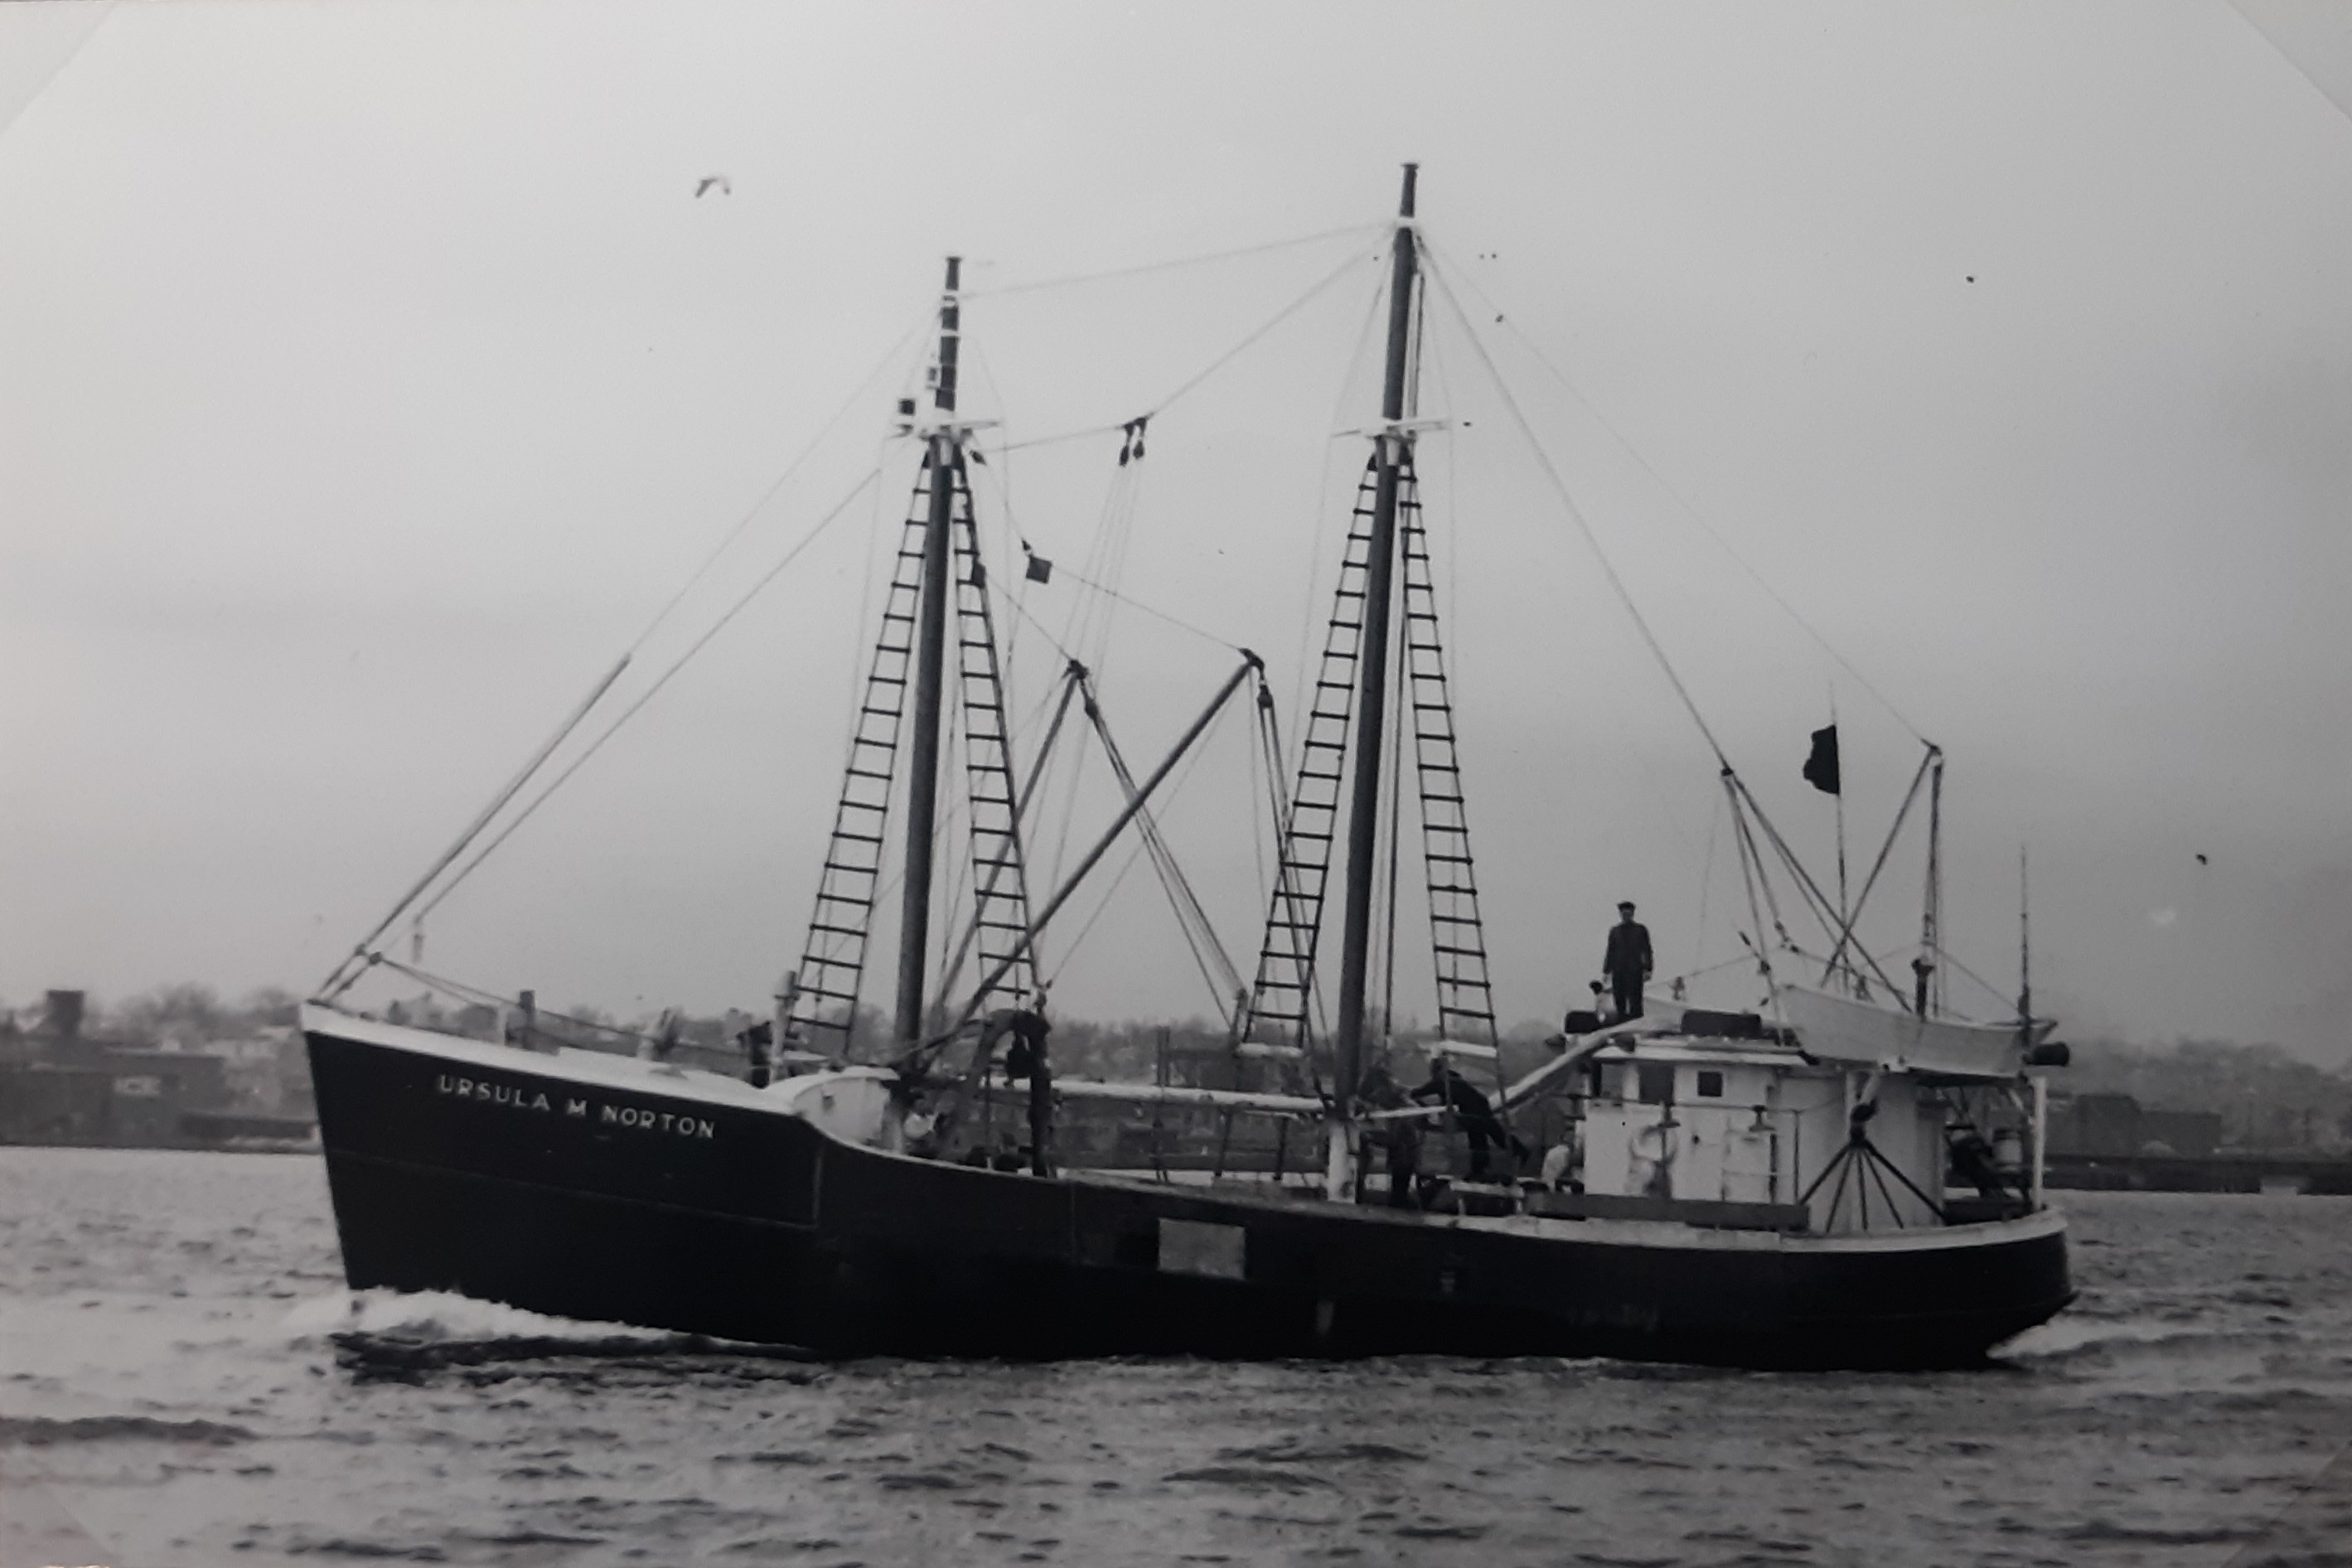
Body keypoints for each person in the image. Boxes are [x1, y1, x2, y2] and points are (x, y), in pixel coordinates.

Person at [1412, 1056, 1523, 1182]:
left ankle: (1517, 1152)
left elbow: (1418, 1093)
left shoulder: (1442, 1081)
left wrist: (1418, 1102)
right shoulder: (1451, 1079)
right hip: (1477, 1108)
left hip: (1475, 1111)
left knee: (1490, 1137)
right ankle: (1480, 1170)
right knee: (1485, 1138)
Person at [1602, 901, 1653, 1020]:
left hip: (1635, 970)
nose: (1626, 916)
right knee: (1619, 999)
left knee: (1635, 1000)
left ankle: (1637, 1022)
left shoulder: (1640, 930)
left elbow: (1646, 950)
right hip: (1618, 970)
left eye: (1628, 914)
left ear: (1632, 914)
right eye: (1624, 914)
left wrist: (1648, 969)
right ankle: (1621, 1021)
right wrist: (1606, 971)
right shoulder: (1615, 931)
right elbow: (1611, 951)